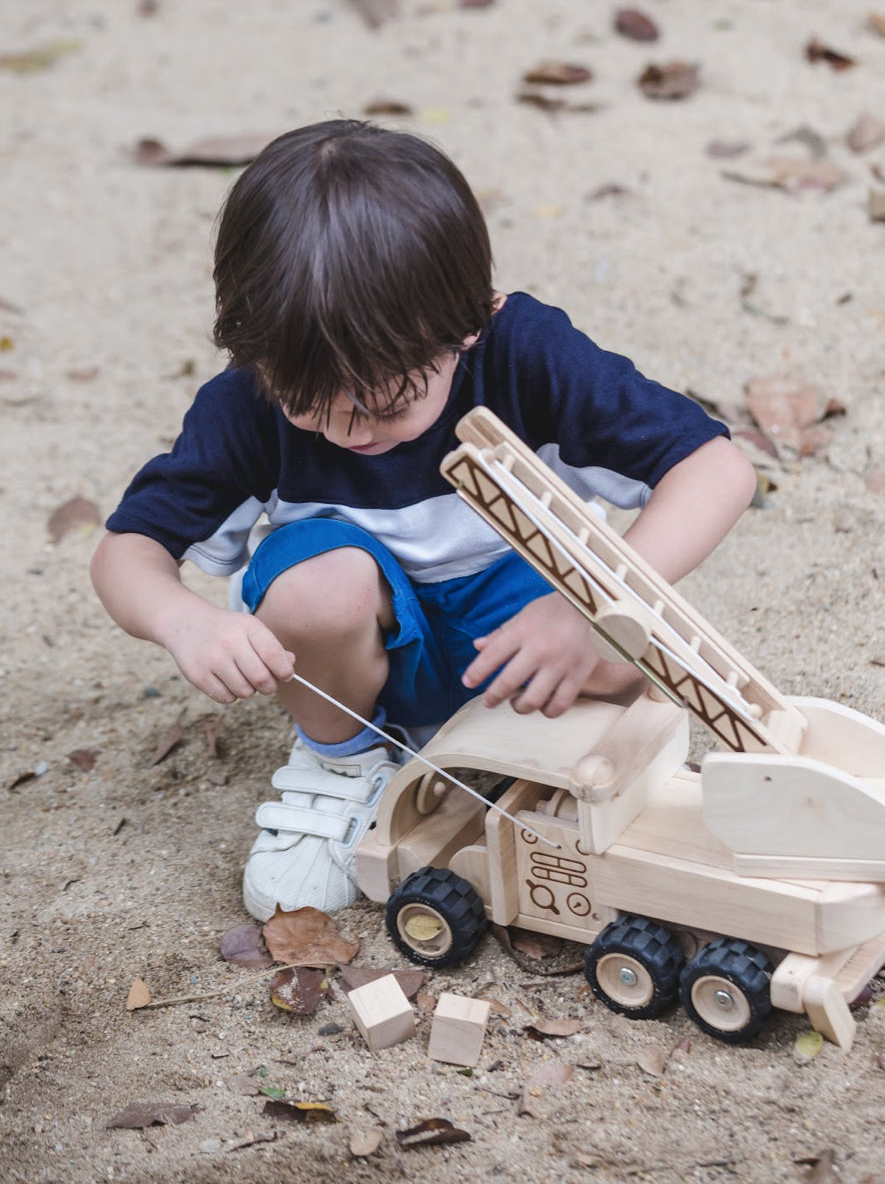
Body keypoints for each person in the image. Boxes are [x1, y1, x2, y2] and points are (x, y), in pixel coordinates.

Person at [90, 120, 757, 922]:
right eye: (307, 405)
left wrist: (592, 613)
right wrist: (184, 623)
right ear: (255, 355)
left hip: (516, 634)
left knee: (627, 652)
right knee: (313, 591)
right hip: (360, 651)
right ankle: (340, 765)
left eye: (387, 402)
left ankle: (535, 769)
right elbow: (126, 551)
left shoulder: (524, 355)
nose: (347, 431)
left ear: (468, 323)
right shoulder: (245, 404)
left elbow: (716, 468)